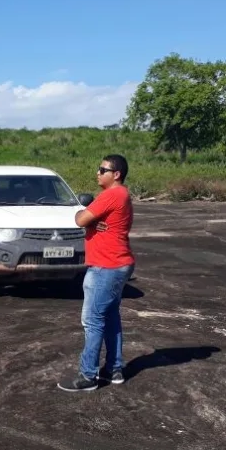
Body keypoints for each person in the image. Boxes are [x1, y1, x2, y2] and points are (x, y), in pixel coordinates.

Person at [58, 154, 135, 392]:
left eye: (103, 169)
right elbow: (89, 221)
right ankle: (114, 369)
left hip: (106, 267)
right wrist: (93, 222)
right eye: (98, 168)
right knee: (110, 317)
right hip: (118, 264)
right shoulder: (123, 195)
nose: (97, 173)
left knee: (92, 320)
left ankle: (88, 376)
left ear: (116, 174)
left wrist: (88, 220)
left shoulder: (112, 195)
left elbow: (80, 219)